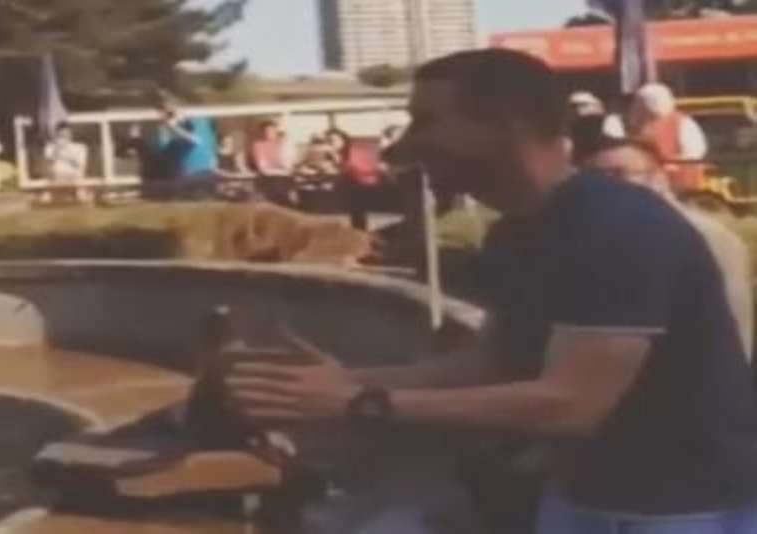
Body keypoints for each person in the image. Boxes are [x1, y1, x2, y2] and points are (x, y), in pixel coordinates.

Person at [226, 49, 757, 534]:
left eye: (427, 121)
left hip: (684, 510)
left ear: (506, 125)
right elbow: (493, 364)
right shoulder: (515, 232)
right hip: (583, 501)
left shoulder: (616, 228)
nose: (404, 145)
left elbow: (573, 403)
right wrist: (346, 381)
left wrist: (364, 403)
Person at [582, 136, 754, 363]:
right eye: (597, 178)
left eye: (619, 174)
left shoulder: (707, 236)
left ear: (660, 178)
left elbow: (735, 325)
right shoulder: (606, 238)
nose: (609, 187)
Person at [624, 83, 709, 192]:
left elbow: (694, 153)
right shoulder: (637, 125)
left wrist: (670, 165)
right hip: (646, 185)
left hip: (680, 186)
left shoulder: (682, 123)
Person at [154, 105, 219, 198]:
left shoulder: (192, 138)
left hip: (193, 177)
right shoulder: (174, 142)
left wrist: (172, 125)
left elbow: (192, 138)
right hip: (180, 177)